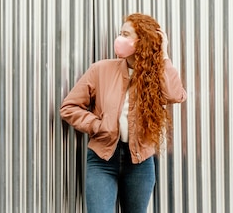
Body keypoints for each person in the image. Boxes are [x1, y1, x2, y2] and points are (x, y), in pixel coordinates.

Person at [60, 13, 186, 213]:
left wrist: (163, 54)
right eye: (120, 33)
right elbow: (69, 107)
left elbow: (175, 95)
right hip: (102, 160)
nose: (119, 39)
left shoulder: (155, 76)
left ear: (141, 41)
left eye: (126, 34)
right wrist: (97, 125)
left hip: (140, 162)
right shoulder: (100, 69)